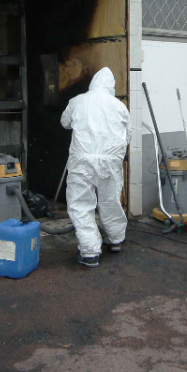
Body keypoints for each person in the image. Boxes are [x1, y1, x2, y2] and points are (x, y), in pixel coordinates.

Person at [60, 67, 131, 268]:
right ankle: (115, 239)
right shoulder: (120, 107)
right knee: (110, 200)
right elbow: (128, 137)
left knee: (81, 203)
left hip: (82, 160)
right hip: (110, 161)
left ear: (93, 83)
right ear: (111, 87)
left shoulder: (77, 101)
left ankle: (90, 251)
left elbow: (65, 122)